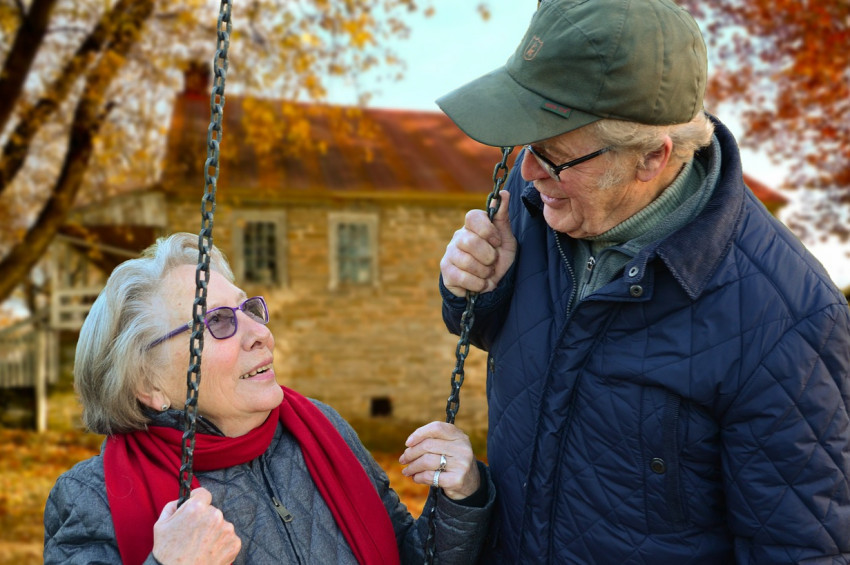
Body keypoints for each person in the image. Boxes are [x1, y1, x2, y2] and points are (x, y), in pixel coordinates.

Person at [436, 0, 850, 563]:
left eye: (554, 157)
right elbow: (506, 338)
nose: (529, 171)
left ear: (652, 158)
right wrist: (477, 290)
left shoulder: (787, 321)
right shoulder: (540, 197)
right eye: (525, 145)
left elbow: (804, 548)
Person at [44, 232, 494, 565]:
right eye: (218, 322)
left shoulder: (320, 429)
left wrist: (460, 497)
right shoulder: (91, 497)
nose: (260, 334)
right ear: (149, 386)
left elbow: (410, 557)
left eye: (249, 310)